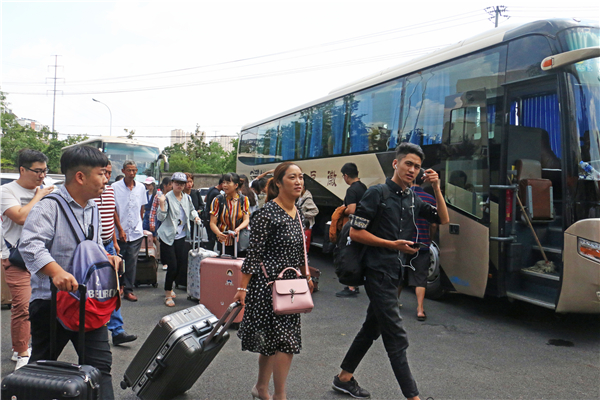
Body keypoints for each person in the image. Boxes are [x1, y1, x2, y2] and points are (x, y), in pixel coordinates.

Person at [332, 143, 449, 400]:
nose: (412, 170)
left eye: (417, 167)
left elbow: (442, 219)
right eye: (408, 164)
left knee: (371, 328)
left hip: (395, 271)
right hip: (377, 272)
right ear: (396, 164)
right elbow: (356, 232)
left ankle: (343, 378)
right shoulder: (377, 193)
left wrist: (437, 188)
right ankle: (413, 397)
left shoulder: (412, 197)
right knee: (396, 336)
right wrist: (392, 244)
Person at [19, 145, 123, 400]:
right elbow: (30, 245)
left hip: (87, 303)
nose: (106, 180)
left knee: (100, 367)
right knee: (41, 369)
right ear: (80, 177)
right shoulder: (48, 206)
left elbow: (93, 246)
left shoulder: (93, 208)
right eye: (102, 173)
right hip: (51, 303)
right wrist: (56, 271)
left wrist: (108, 257)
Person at [234, 162, 315, 400]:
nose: (298, 182)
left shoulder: (298, 213)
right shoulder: (266, 214)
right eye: (292, 177)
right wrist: (242, 288)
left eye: (301, 177)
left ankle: (261, 388)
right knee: (283, 342)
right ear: (278, 183)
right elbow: (253, 255)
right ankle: (280, 395)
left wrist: (307, 275)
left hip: (291, 286)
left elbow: (301, 252)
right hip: (268, 286)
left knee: (276, 341)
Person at [1, 149, 54, 370]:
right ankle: (22, 352)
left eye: (45, 171)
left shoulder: (48, 189)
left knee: (42, 306)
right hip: (17, 258)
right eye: (37, 171)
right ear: (22, 169)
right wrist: (39, 197)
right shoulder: (6, 191)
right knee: (23, 306)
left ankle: (30, 347)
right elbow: (21, 217)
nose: (42, 176)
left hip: (42, 256)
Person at [92, 160, 137, 346]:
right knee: (95, 289)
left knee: (113, 288)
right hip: (93, 248)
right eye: (103, 172)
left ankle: (117, 331)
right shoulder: (88, 194)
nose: (107, 176)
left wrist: (115, 241)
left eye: (109, 173)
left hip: (109, 245)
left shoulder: (110, 191)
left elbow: (110, 216)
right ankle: (95, 331)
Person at [397, 169, 437, 321]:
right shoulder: (430, 199)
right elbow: (434, 224)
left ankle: (394, 302)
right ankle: (420, 309)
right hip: (422, 243)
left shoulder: (403, 195)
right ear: (423, 180)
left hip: (403, 242)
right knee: (421, 276)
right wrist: (429, 239)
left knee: (399, 273)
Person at [156, 172, 201, 307]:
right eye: (177, 183)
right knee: (173, 265)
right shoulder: (167, 198)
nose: (179, 186)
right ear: (172, 183)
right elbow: (160, 217)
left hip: (181, 235)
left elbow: (192, 210)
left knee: (180, 264)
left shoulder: (187, 198)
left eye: (182, 183)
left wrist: (195, 217)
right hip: (167, 236)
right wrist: (162, 204)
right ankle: (168, 294)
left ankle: (170, 287)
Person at [112, 160, 147, 302]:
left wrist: (139, 224)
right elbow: (113, 210)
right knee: (119, 260)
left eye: (134, 170)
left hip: (136, 232)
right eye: (129, 170)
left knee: (132, 261)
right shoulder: (115, 187)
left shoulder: (141, 187)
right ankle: (117, 286)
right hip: (120, 231)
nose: (131, 173)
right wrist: (120, 229)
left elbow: (142, 208)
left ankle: (128, 289)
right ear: (123, 171)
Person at [336, 162, 367, 298]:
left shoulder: (351, 190)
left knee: (349, 254)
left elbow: (352, 209)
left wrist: (342, 210)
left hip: (352, 226)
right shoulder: (363, 187)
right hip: (363, 225)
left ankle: (351, 287)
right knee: (357, 255)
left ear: (346, 176)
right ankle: (355, 284)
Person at [209, 173, 250, 257]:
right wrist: (218, 233)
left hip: (240, 240)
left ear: (236, 185)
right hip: (224, 241)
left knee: (240, 262)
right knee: (225, 263)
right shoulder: (218, 200)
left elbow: (246, 219)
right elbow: (212, 222)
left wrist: (238, 229)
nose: (224, 185)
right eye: (223, 182)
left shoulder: (243, 199)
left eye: (228, 183)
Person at [150, 177, 172, 270]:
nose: (171, 187)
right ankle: (164, 262)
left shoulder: (173, 196)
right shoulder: (158, 196)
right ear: (165, 186)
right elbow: (153, 210)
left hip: (171, 222)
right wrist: (152, 223)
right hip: (161, 222)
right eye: (170, 185)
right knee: (162, 242)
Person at [202, 175, 224, 251]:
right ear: (221, 184)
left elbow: (205, 199)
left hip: (206, 215)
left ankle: (209, 252)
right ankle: (211, 253)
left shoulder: (211, 189)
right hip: (211, 217)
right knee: (213, 239)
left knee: (210, 239)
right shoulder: (217, 194)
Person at [296, 187, 319, 252]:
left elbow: (315, 211)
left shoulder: (307, 199)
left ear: (303, 188)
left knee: (305, 243)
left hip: (306, 225)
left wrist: (303, 214)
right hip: (302, 224)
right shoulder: (300, 197)